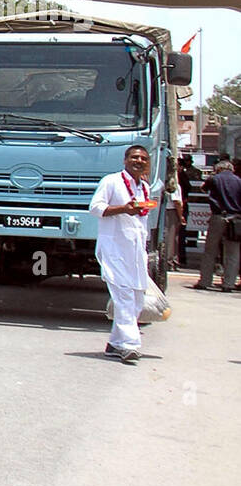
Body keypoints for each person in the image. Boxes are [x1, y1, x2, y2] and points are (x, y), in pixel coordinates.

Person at [91, 145, 162, 359]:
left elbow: (140, 219)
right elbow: (95, 208)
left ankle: (114, 343)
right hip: (114, 248)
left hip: (136, 250)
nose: (138, 161)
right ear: (125, 160)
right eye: (134, 157)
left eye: (142, 158)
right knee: (123, 297)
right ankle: (130, 345)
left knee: (137, 297)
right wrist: (123, 208)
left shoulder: (144, 187)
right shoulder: (111, 181)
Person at [194, 158, 241, 292]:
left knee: (210, 250)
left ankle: (205, 281)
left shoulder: (214, 179)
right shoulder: (239, 181)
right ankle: (229, 283)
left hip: (218, 216)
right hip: (235, 219)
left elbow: (203, 189)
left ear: (218, 169)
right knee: (233, 252)